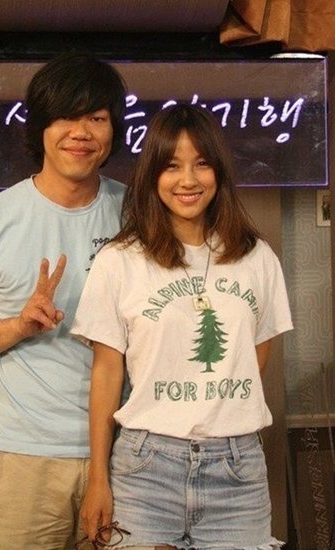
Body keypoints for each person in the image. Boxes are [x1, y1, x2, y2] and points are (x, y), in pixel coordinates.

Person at [71, 104, 293, 549]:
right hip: (146, 468)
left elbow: (256, 354)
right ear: (152, 175)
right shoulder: (120, 260)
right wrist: (98, 479)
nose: (188, 180)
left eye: (201, 164)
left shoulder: (257, 257)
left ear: (219, 172)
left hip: (237, 471)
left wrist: (216, 405)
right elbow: (107, 371)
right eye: (171, 166)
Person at [0, 52, 127, 549]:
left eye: (96, 118)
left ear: (113, 131)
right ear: (40, 127)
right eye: (65, 117)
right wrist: (18, 326)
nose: (80, 132)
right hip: (22, 459)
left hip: (128, 454)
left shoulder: (139, 213)